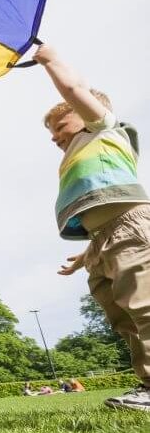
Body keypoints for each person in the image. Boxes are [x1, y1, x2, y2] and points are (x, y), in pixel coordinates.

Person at [34, 44, 150, 413]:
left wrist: (49, 60)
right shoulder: (79, 148)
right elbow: (98, 211)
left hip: (131, 228)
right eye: (52, 137)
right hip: (103, 241)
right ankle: (146, 384)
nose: (56, 139)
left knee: (144, 307)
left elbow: (74, 90)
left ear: (89, 113)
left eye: (61, 128)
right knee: (124, 316)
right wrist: (86, 254)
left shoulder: (105, 128)